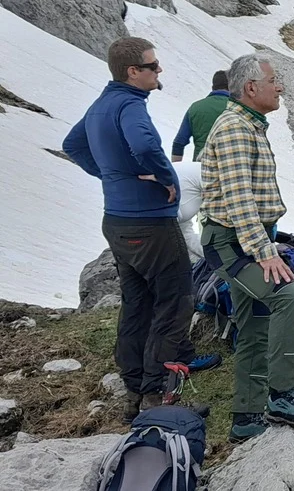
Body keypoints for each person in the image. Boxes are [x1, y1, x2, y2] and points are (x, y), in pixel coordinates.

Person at [62, 37, 218, 424]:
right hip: (150, 223)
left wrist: (113, 176)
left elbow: (72, 144)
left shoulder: (101, 105)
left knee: (137, 305)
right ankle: (157, 399)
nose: (159, 70)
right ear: (133, 72)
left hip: (116, 221)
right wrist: (166, 179)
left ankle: (133, 390)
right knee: (174, 304)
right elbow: (146, 145)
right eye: (153, 65)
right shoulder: (131, 105)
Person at [201, 53, 294, 443]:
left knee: (254, 325)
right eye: (274, 81)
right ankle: (283, 395)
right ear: (251, 88)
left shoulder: (248, 124)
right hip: (231, 243)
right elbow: (239, 200)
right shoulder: (236, 129)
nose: (281, 87)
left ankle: (246, 417)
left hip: (245, 238)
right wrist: (265, 251)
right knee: (289, 295)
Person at [172, 70, 230, 162]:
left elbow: (179, 143)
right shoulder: (238, 108)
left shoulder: (195, 107)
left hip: (200, 167)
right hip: (229, 168)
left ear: (213, 87)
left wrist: (176, 169)